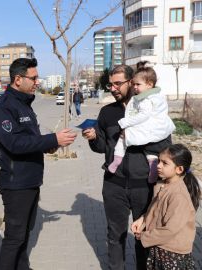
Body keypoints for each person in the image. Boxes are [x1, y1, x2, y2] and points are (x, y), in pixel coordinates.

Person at [0, 58, 77, 270]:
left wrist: (47, 147)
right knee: (13, 239)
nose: (38, 82)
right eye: (34, 78)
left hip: (30, 181)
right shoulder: (3, 107)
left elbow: (29, 140)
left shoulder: (24, 104)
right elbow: (14, 143)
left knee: (23, 235)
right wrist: (52, 139)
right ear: (18, 79)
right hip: (16, 184)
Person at [82, 65, 171, 270]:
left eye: (117, 84)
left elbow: (165, 147)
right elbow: (103, 147)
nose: (113, 88)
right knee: (115, 236)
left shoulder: (152, 108)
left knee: (144, 236)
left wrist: (133, 137)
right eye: (110, 84)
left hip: (145, 185)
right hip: (114, 185)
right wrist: (93, 139)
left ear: (132, 83)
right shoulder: (107, 112)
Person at [131, 144, 200, 270]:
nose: (158, 165)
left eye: (165, 163)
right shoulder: (163, 185)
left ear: (179, 169)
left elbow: (170, 229)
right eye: (159, 161)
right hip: (160, 248)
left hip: (172, 254)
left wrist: (144, 237)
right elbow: (154, 210)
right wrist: (143, 220)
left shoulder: (178, 195)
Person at [108, 67, 176, 183]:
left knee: (122, 139)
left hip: (141, 184)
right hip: (158, 129)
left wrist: (124, 122)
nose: (135, 87)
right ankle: (153, 168)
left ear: (149, 85)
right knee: (151, 153)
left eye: (138, 84)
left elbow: (143, 115)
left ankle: (117, 159)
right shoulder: (158, 96)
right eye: (134, 84)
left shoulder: (146, 99)